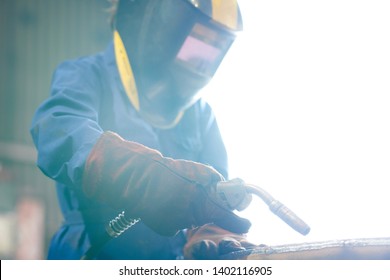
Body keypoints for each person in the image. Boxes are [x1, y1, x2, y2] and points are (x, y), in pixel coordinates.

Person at [30, 0, 256, 260]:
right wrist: (144, 178)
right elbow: (59, 131)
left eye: (212, 50)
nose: (198, 60)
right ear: (153, 26)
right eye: (196, 41)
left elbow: (215, 194)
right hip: (90, 251)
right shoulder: (87, 75)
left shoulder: (201, 114)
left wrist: (212, 234)